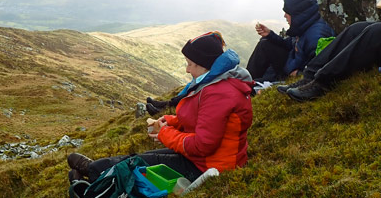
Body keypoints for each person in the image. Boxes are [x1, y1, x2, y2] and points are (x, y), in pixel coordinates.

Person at [67, 31, 254, 183]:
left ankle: (92, 173)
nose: (187, 70)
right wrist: (171, 121)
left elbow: (202, 145)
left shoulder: (217, 92)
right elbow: (206, 120)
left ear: (204, 65)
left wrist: (164, 133)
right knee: (144, 157)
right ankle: (97, 172)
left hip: (210, 167)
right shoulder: (214, 83)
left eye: (190, 64)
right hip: (208, 160)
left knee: (139, 164)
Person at [246, 0, 335, 89]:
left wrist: (299, 74)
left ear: (298, 14)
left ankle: (247, 85)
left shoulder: (317, 37)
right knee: (265, 43)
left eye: (287, 12)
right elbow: (289, 44)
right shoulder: (304, 27)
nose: (285, 15)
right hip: (290, 65)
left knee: (264, 48)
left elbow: (321, 69)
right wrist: (270, 34)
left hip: (291, 73)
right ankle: (246, 82)